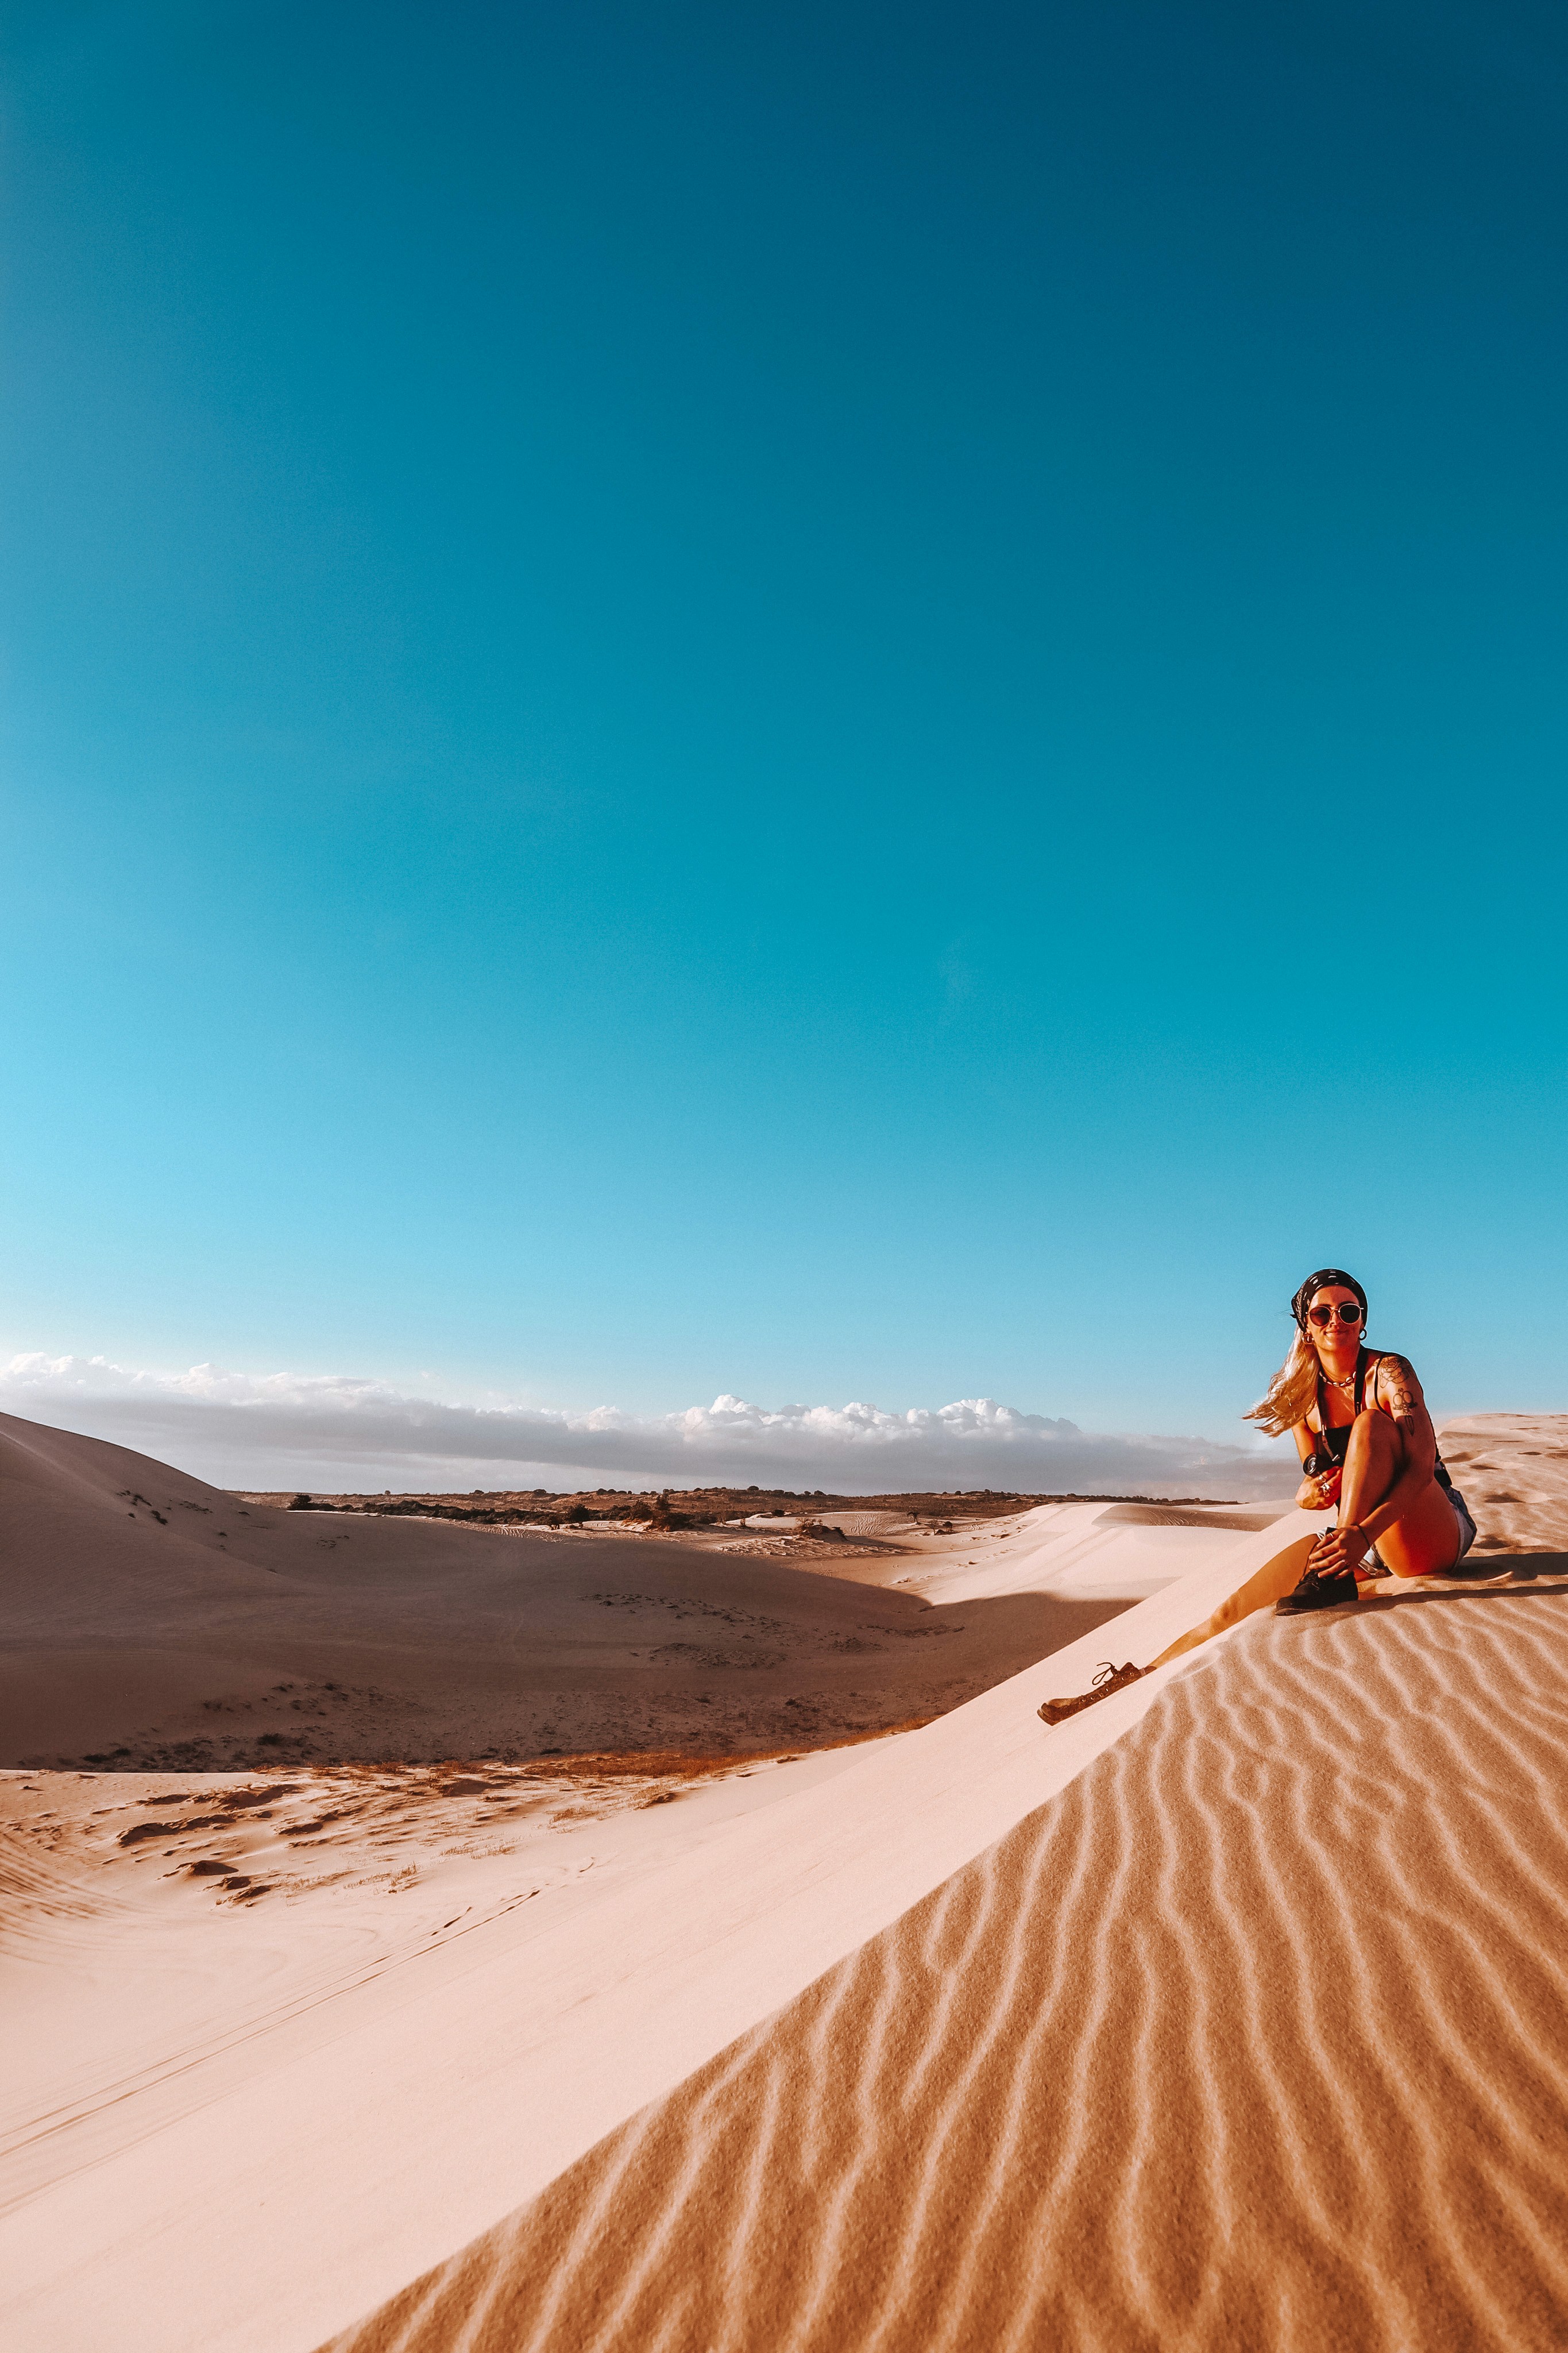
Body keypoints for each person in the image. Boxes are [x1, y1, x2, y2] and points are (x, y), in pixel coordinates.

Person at [1037, 1267, 1478, 1725]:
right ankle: (1128, 1686)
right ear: (1305, 1326)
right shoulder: (1304, 1402)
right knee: (1229, 1613)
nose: (1336, 1321)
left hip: (1425, 1526)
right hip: (1359, 1546)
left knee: (1371, 1426)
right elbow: (1313, 1495)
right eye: (1322, 1313)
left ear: (1362, 1319)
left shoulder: (1389, 1373)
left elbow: (1421, 1469)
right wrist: (1310, 1495)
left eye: (1348, 1311)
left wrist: (1362, 1534)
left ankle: (1336, 1570)